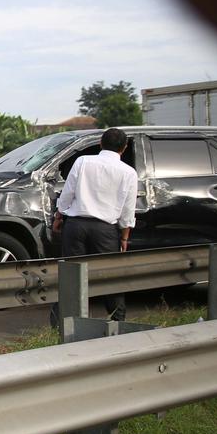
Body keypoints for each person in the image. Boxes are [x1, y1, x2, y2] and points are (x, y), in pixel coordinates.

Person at [50, 128, 138, 324]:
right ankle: (117, 323)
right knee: (110, 279)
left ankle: (63, 324)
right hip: (105, 231)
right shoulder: (129, 173)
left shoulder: (83, 162)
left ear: (100, 143)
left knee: (71, 277)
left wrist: (58, 215)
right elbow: (128, 210)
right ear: (123, 149)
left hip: (76, 226)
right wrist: (124, 237)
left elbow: (68, 193)